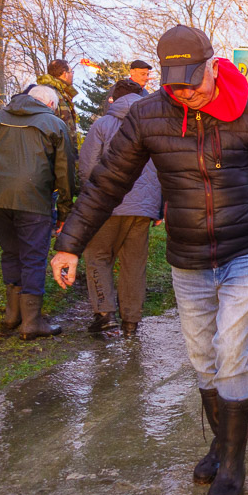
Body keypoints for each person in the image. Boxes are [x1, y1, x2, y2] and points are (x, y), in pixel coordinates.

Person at [49, 24, 248, 495]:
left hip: (245, 252)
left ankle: (233, 464)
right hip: (187, 258)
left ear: (213, 65)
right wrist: (70, 244)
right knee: (204, 360)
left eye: (194, 81)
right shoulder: (148, 116)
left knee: (232, 356)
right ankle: (221, 443)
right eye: (176, 83)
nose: (187, 92)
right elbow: (106, 184)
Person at [0, 85, 76, 340]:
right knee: (33, 257)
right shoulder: (54, 123)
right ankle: (31, 321)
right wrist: (64, 213)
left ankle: (12, 315)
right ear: (50, 104)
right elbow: (65, 173)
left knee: (11, 252)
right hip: (33, 199)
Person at [80, 79, 163, 336]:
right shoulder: (154, 127)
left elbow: (87, 166)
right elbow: (165, 168)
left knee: (98, 255)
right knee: (134, 263)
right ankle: (131, 321)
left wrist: (90, 197)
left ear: (114, 99)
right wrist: (159, 207)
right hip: (143, 208)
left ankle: (105, 314)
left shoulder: (103, 125)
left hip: (107, 203)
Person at [36, 59, 79, 158]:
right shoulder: (50, 95)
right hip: (57, 159)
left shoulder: (61, 94)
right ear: (65, 74)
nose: (72, 75)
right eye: (71, 72)